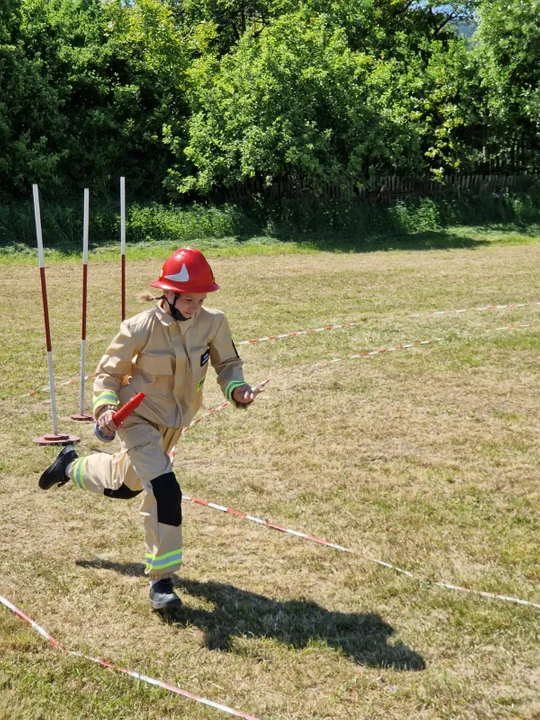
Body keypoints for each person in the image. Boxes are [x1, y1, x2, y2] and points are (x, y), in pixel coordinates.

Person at [39, 247, 259, 611]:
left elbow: (229, 364)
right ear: (168, 294)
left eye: (202, 299)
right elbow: (108, 375)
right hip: (138, 418)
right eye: (189, 299)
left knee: (125, 485)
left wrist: (239, 389)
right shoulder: (138, 327)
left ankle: (68, 465)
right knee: (165, 489)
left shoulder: (213, 322)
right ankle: (161, 579)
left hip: (175, 423)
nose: (196, 306)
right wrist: (106, 408)